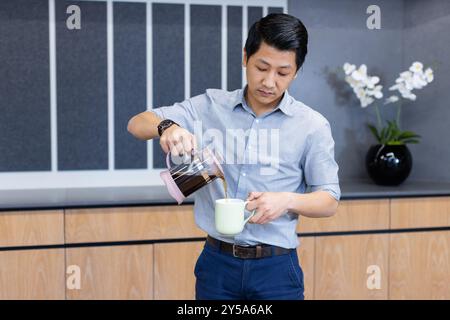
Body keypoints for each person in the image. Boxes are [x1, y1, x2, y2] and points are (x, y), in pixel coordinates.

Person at [127, 13, 340, 300]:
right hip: (217, 265)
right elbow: (137, 124)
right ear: (245, 57)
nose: (269, 81)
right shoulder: (210, 107)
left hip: (276, 269)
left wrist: (287, 200)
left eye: (282, 73)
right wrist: (167, 127)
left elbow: (328, 200)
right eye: (261, 67)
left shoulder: (312, 125)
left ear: (297, 71)